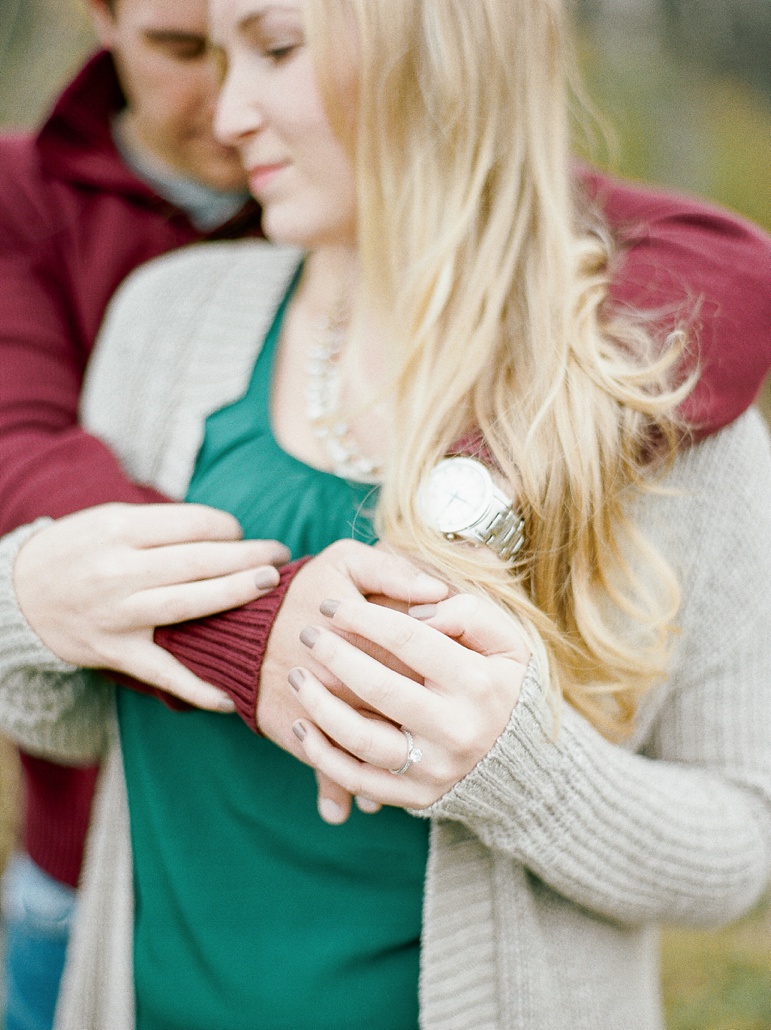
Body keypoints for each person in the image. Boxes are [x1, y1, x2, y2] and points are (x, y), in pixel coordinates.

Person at [0, 1, 768, 1028]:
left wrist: (524, 773)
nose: (227, 114)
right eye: (215, 58)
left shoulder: (655, 391)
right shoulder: (163, 318)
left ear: (435, 43)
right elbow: (76, 715)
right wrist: (30, 606)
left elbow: (734, 852)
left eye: (274, 50)